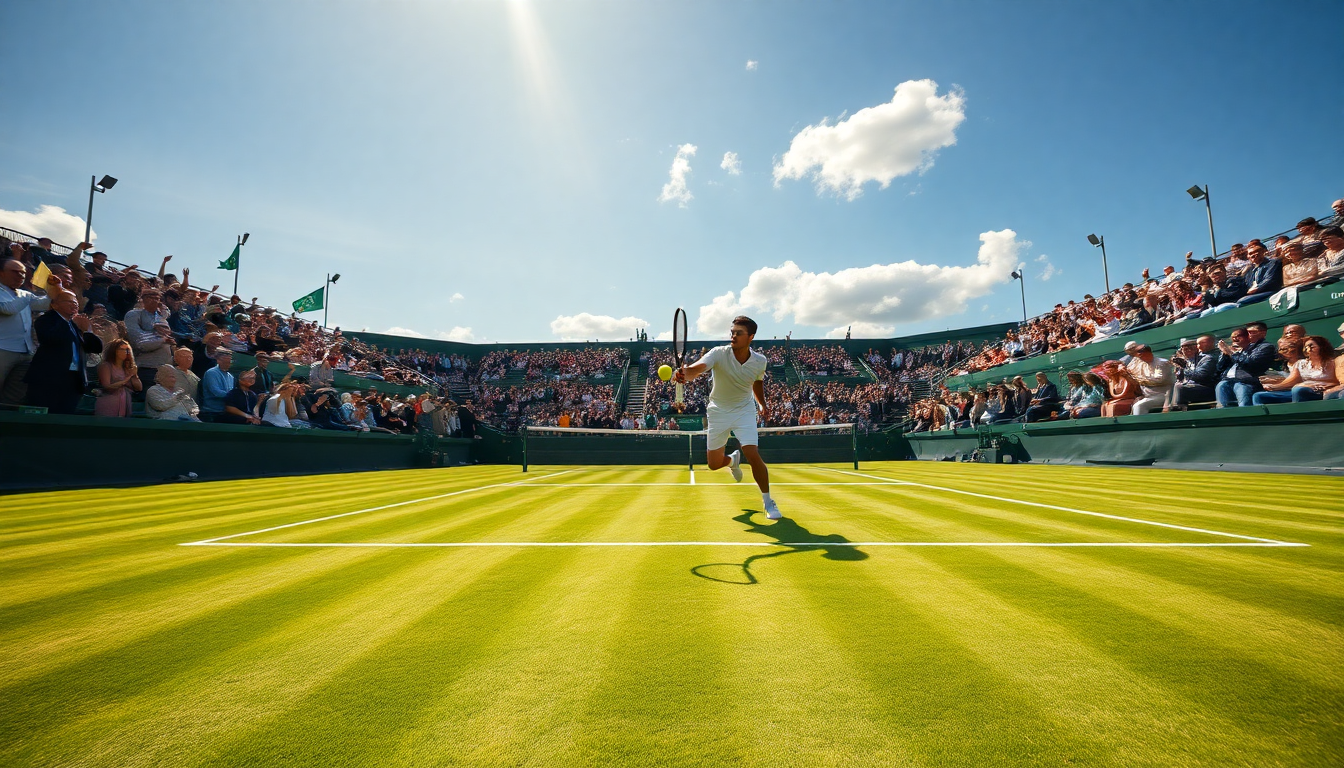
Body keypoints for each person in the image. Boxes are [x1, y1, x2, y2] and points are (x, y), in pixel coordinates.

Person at [675, 315, 780, 519]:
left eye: (738, 333)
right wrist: (684, 374)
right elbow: (696, 369)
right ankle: (731, 461)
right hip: (718, 411)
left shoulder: (760, 361)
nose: (733, 336)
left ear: (750, 337)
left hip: (744, 411)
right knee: (713, 464)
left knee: (752, 453)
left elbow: (757, 382)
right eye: (732, 332)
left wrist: (762, 404)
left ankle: (768, 501)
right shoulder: (718, 353)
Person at [23, 289, 104, 414]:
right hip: (49, 380)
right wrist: (67, 323)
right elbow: (50, 338)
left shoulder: (75, 323)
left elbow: (96, 348)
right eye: (68, 301)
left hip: (73, 380)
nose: (74, 304)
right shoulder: (45, 319)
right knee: (45, 418)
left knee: (65, 416)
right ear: (54, 304)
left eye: (76, 302)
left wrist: (87, 331)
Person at [0, 258, 52, 404]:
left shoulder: (24, 294)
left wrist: (53, 288)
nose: (21, 276)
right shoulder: (24, 296)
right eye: (15, 272)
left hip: (25, 352)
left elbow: (44, 304)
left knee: (12, 398)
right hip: (2, 349)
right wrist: (27, 296)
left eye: (23, 273)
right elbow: (8, 309)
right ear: (1, 273)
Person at [1252, 337, 1339, 404]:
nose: (1308, 348)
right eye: (1306, 346)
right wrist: (1272, 387)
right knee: (1258, 396)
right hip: (1298, 390)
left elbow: (1339, 381)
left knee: (1298, 390)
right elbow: (1291, 381)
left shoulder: (1333, 363)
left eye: (1311, 345)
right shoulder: (1301, 363)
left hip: (1320, 392)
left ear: (1322, 347)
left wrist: (1328, 387)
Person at [1215, 322, 1275, 408]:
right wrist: (1225, 354)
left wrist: (1231, 353)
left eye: (1252, 332)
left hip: (1250, 381)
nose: (1249, 335)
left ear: (1263, 333)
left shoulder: (1265, 347)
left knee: (1240, 387)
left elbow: (1250, 363)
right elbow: (1219, 368)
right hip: (1230, 380)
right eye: (1247, 332)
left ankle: (1245, 414)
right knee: (1222, 385)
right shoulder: (1243, 348)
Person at [1167, 336, 1219, 411]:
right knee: (1174, 386)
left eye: (1186, 349)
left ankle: (1177, 410)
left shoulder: (1205, 358)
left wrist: (1185, 368)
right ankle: (1174, 409)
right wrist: (1180, 368)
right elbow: (1181, 379)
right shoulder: (1186, 361)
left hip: (1206, 388)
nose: (1184, 352)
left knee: (1179, 387)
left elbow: (1200, 376)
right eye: (1182, 349)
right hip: (1192, 387)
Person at [94, 338, 142, 417]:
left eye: (127, 350)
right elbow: (107, 386)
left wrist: (134, 375)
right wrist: (126, 380)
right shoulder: (106, 366)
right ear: (114, 351)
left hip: (125, 404)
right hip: (108, 404)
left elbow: (139, 388)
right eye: (122, 349)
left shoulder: (127, 367)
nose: (125, 352)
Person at [1124, 342, 1175, 415]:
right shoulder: (1141, 363)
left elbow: (1158, 379)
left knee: (1138, 406)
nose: (1140, 359)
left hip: (1163, 395)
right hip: (1147, 395)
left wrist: (1138, 379)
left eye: (1141, 356)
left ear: (1148, 353)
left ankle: (1142, 426)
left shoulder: (1161, 363)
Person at [200, 349, 236, 421]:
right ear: (218, 360)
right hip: (211, 413)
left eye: (230, 361)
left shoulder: (230, 376)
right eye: (226, 360)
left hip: (224, 412)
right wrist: (234, 396)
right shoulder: (211, 373)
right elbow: (216, 392)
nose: (229, 363)